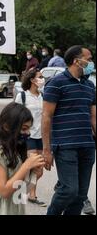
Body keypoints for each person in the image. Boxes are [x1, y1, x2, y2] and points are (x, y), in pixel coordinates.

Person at [42, 45, 96, 215]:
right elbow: (46, 117)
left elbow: (94, 117)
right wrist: (46, 149)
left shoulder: (90, 86)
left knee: (80, 195)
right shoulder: (56, 83)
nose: (91, 63)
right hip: (65, 146)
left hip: (87, 146)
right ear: (76, 61)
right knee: (69, 190)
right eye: (88, 59)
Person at [0, 102, 45, 215]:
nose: (28, 133)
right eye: (24, 128)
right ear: (7, 127)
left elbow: (22, 189)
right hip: (1, 210)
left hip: (17, 206)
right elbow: (4, 191)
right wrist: (26, 166)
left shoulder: (17, 149)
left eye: (29, 129)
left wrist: (36, 172)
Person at [14, 68, 46, 206]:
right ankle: (19, 196)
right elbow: (14, 116)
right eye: (40, 76)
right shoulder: (22, 96)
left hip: (42, 137)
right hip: (27, 136)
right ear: (32, 80)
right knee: (28, 167)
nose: (42, 79)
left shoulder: (43, 96)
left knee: (39, 170)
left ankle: (30, 194)